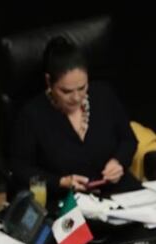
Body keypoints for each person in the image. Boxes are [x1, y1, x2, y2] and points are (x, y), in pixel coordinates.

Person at [10, 36, 139, 201]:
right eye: (66, 91)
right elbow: (21, 169)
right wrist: (61, 182)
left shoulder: (104, 95)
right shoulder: (32, 114)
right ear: (49, 82)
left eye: (82, 88)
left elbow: (128, 140)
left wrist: (118, 162)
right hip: (65, 199)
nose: (77, 98)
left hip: (115, 192)